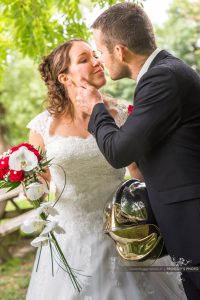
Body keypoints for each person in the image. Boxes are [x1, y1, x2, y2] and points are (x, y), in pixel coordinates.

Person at [26, 39, 185, 300]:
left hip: (124, 232)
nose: (97, 61)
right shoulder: (43, 126)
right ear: (64, 78)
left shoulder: (123, 114)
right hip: (71, 237)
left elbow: (138, 173)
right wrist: (27, 182)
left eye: (95, 55)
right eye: (84, 59)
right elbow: (40, 185)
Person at [75, 3, 200, 300]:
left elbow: (118, 151)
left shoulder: (162, 78)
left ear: (119, 51)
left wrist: (96, 108)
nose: (100, 61)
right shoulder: (165, 71)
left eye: (100, 52)